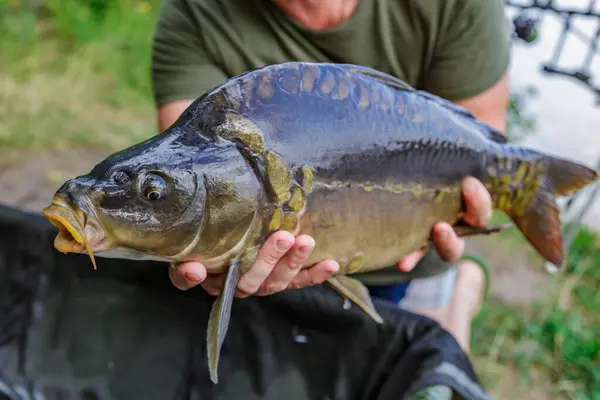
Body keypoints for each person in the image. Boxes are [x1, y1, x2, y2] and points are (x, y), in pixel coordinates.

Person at [152, 0, 508, 351]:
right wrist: (211, 261)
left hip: (410, 254)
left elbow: (484, 142)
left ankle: (464, 284)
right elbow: (181, 172)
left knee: (428, 366)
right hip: (271, 269)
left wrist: (471, 208)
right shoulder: (193, 13)